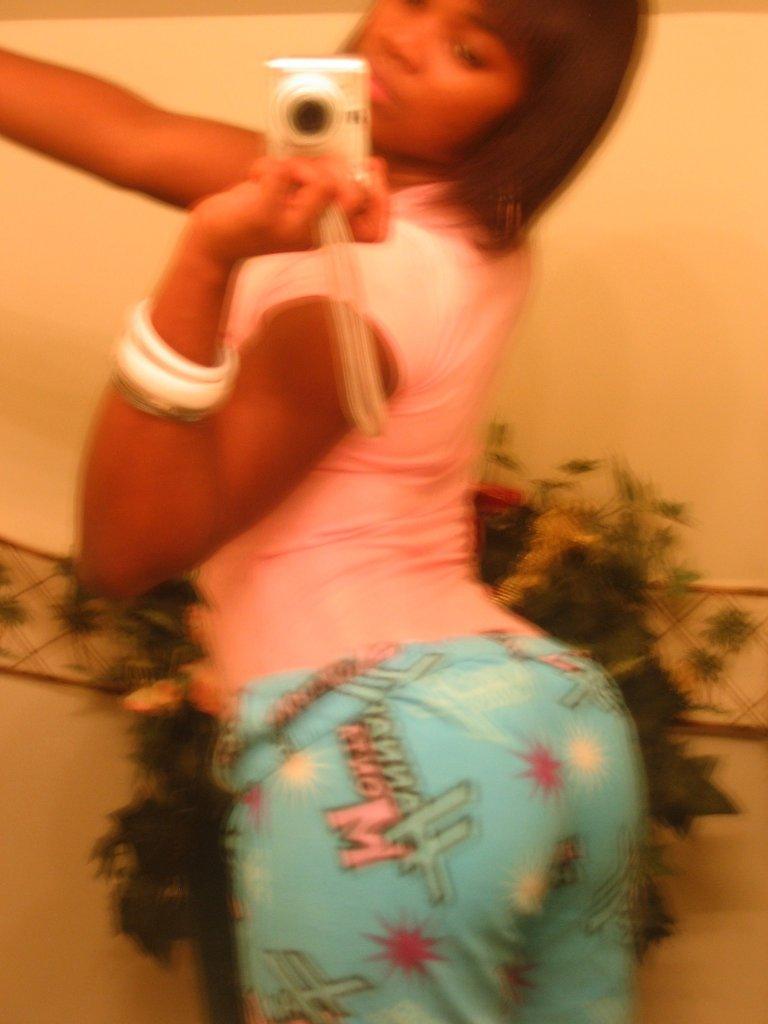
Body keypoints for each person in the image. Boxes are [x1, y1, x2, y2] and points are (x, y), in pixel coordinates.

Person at [1, 1, 649, 1021]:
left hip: (387, 747)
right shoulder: (453, 228)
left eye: (468, 51)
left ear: (530, 113)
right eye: (417, 0)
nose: (405, 41)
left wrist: (205, 260)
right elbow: (134, 137)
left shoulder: (367, 280)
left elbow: (125, 551)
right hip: (550, 719)